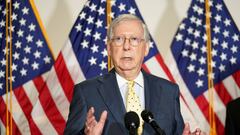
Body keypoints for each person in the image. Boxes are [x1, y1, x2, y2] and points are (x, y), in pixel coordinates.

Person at [64, 14, 203, 135]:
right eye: (119, 39)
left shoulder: (169, 91)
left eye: (134, 39)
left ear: (146, 48)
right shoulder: (86, 92)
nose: (126, 46)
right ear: (109, 49)